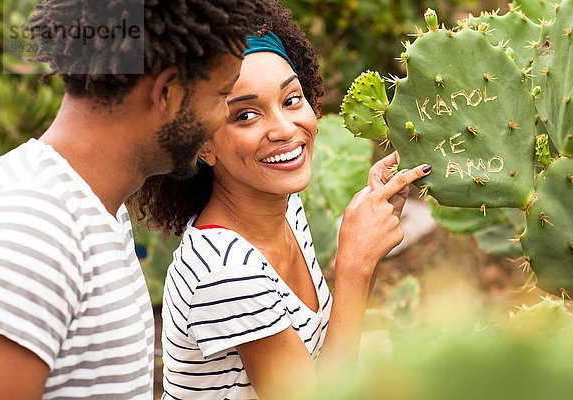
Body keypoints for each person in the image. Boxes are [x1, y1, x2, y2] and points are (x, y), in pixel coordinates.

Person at [130, 2, 431, 399]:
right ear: (201, 144)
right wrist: (353, 263)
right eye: (246, 116)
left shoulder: (284, 205)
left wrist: (366, 247)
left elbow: (325, 348)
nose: (285, 129)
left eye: (291, 100)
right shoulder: (226, 273)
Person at [0, 1, 274, 398]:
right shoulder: (33, 229)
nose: (218, 120)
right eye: (222, 95)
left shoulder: (95, 208)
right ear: (167, 92)